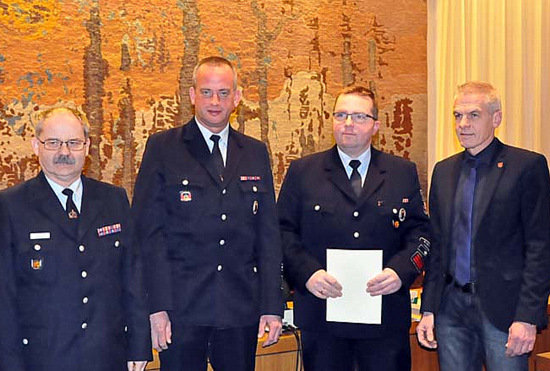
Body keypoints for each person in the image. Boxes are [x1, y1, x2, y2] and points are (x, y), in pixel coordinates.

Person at [132, 56, 283, 371]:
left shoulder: (254, 152)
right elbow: (148, 235)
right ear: (191, 96)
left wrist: (272, 305)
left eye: (224, 93)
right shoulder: (163, 148)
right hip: (181, 310)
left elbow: (267, 235)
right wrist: (156, 307)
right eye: (206, 92)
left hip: (239, 308)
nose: (215, 101)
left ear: (237, 98)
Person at [278, 86, 430, 371]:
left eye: (359, 116)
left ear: (375, 125)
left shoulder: (401, 171)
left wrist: (401, 271)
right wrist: (306, 273)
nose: (348, 123)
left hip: (384, 315)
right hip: (323, 316)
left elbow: (420, 233)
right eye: (341, 114)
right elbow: (283, 232)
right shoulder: (303, 171)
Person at [0, 107, 151, 371]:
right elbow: (5, 297)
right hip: (43, 358)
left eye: (73, 143)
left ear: (87, 146)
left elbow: (132, 279)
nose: (64, 152)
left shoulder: (113, 200)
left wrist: (139, 345)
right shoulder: (11, 206)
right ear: (36, 146)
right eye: (53, 143)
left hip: (107, 355)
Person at [417, 81, 550, 370]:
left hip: (503, 311)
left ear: (496, 118)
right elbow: (438, 246)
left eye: (474, 115)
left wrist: (527, 316)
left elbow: (540, 247)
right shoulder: (443, 171)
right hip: (450, 309)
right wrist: (428, 308)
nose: (463, 124)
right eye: (457, 115)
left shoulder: (527, 167)